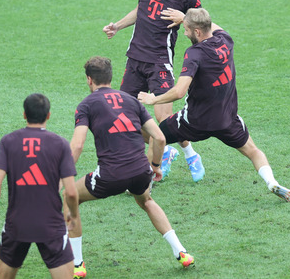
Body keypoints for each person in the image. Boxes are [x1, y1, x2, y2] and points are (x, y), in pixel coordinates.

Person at [138, 8, 290, 205]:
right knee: (253, 151)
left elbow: (179, 91)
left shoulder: (194, 53)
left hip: (195, 121)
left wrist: (153, 99)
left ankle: (148, 180)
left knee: (156, 136)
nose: (185, 33)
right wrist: (185, 19)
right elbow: (214, 27)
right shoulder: (226, 40)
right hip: (227, 119)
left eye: (186, 29)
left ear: (197, 32)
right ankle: (272, 182)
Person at [67, 56, 194, 278]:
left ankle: (77, 264)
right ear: (110, 77)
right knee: (146, 201)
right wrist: (154, 165)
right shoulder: (131, 100)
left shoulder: (86, 105)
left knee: (71, 197)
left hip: (111, 174)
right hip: (140, 172)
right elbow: (160, 138)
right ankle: (181, 252)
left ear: (89, 80)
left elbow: (77, 145)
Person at [102, 0, 204, 182]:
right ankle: (166, 150)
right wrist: (118, 25)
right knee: (124, 116)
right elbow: (142, 8)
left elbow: (201, 28)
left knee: (164, 118)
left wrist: (184, 19)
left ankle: (191, 155)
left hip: (160, 60)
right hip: (135, 57)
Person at [0, 93, 80, 279]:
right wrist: (73, 215)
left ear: (24, 114)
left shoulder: (8, 142)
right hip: (51, 225)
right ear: (48, 115)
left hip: (16, 224)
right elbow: (70, 191)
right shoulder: (60, 144)